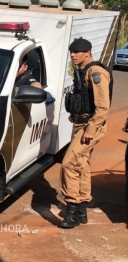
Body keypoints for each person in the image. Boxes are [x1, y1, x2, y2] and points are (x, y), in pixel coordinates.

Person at [59, 37, 111, 228]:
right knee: (82, 164)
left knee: (68, 164)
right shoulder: (82, 70)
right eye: (71, 52)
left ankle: (71, 209)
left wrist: (90, 129)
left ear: (87, 52)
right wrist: (75, 114)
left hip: (91, 126)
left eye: (77, 52)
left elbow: (103, 106)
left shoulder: (96, 72)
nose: (73, 55)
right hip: (81, 123)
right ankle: (81, 209)